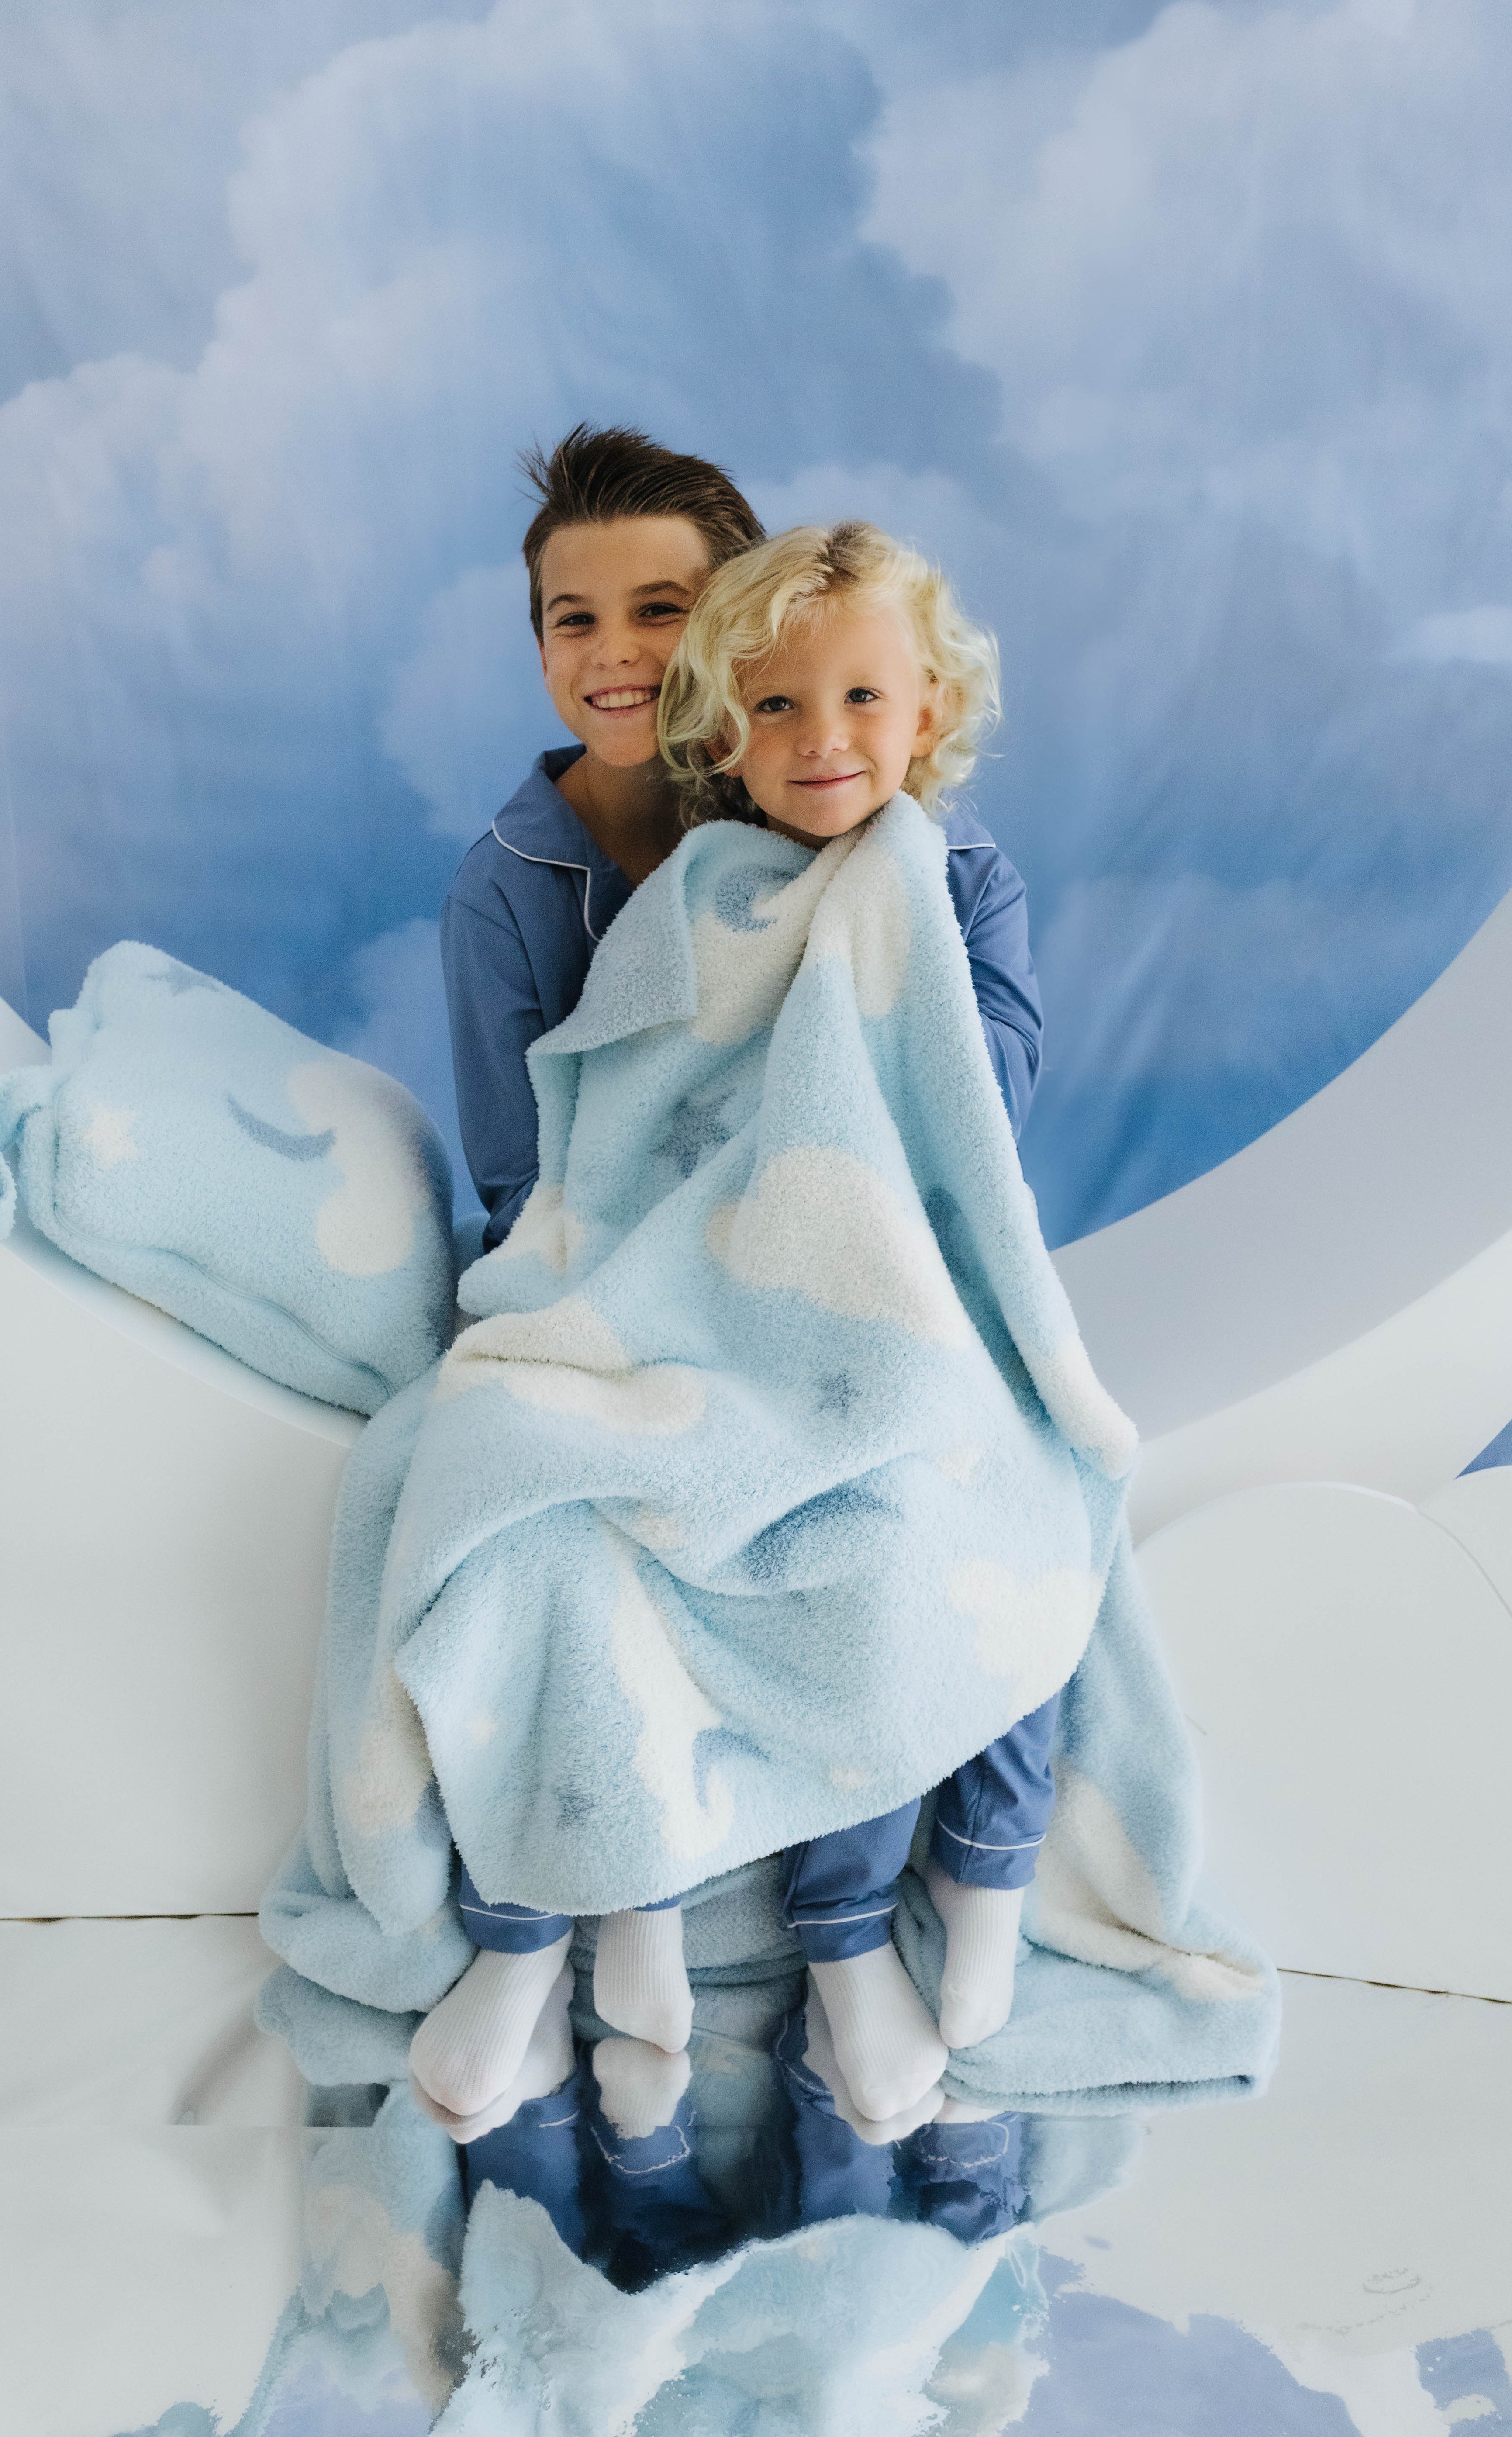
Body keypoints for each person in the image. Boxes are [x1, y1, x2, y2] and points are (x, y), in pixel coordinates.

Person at [417, 434, 1043, 2127]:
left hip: (855, 1286)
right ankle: (559, 1918)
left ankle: (885, 1916)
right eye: (572, 620)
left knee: (934, 1498)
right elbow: (531, 1155)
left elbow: (949, 1106)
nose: (616, 652)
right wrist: (613, 1304)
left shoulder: (839, 822)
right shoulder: (546, 885)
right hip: (622, 1279)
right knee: (539, 1500)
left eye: (663, 612)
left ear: (741, 634)